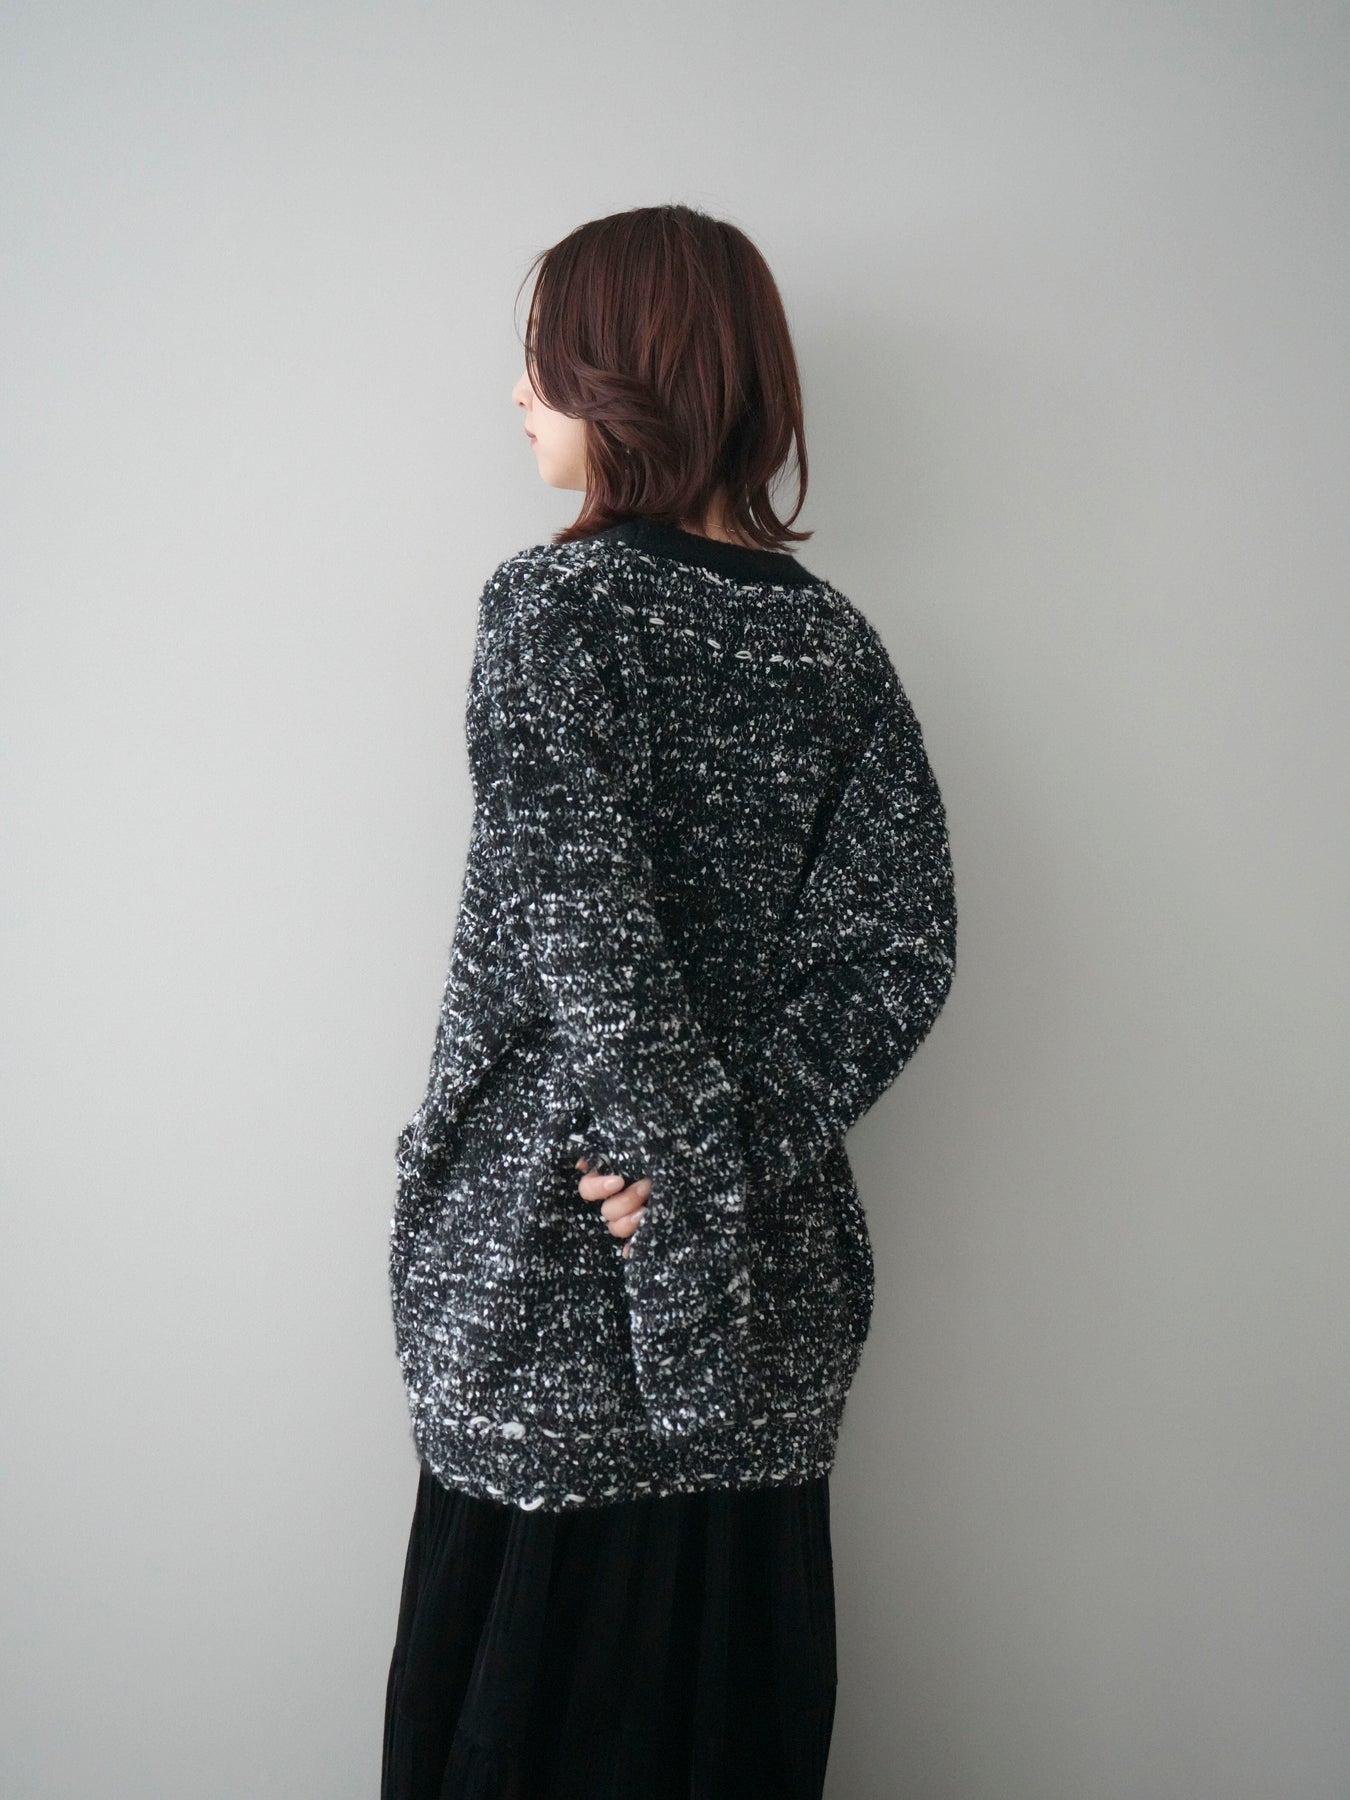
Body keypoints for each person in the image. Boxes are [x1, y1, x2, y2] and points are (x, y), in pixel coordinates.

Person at [381, 202, 957, 1799]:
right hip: (764, 1292)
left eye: (543, 357)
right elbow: (896, 954)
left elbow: (585, 932)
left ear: (628, 375)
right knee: (723, 1729)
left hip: (553, 1267)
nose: (517, 393)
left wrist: (672, 1181)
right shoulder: (831, 646)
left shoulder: (557, 607)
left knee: (521, 1731)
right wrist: (729, 1159)